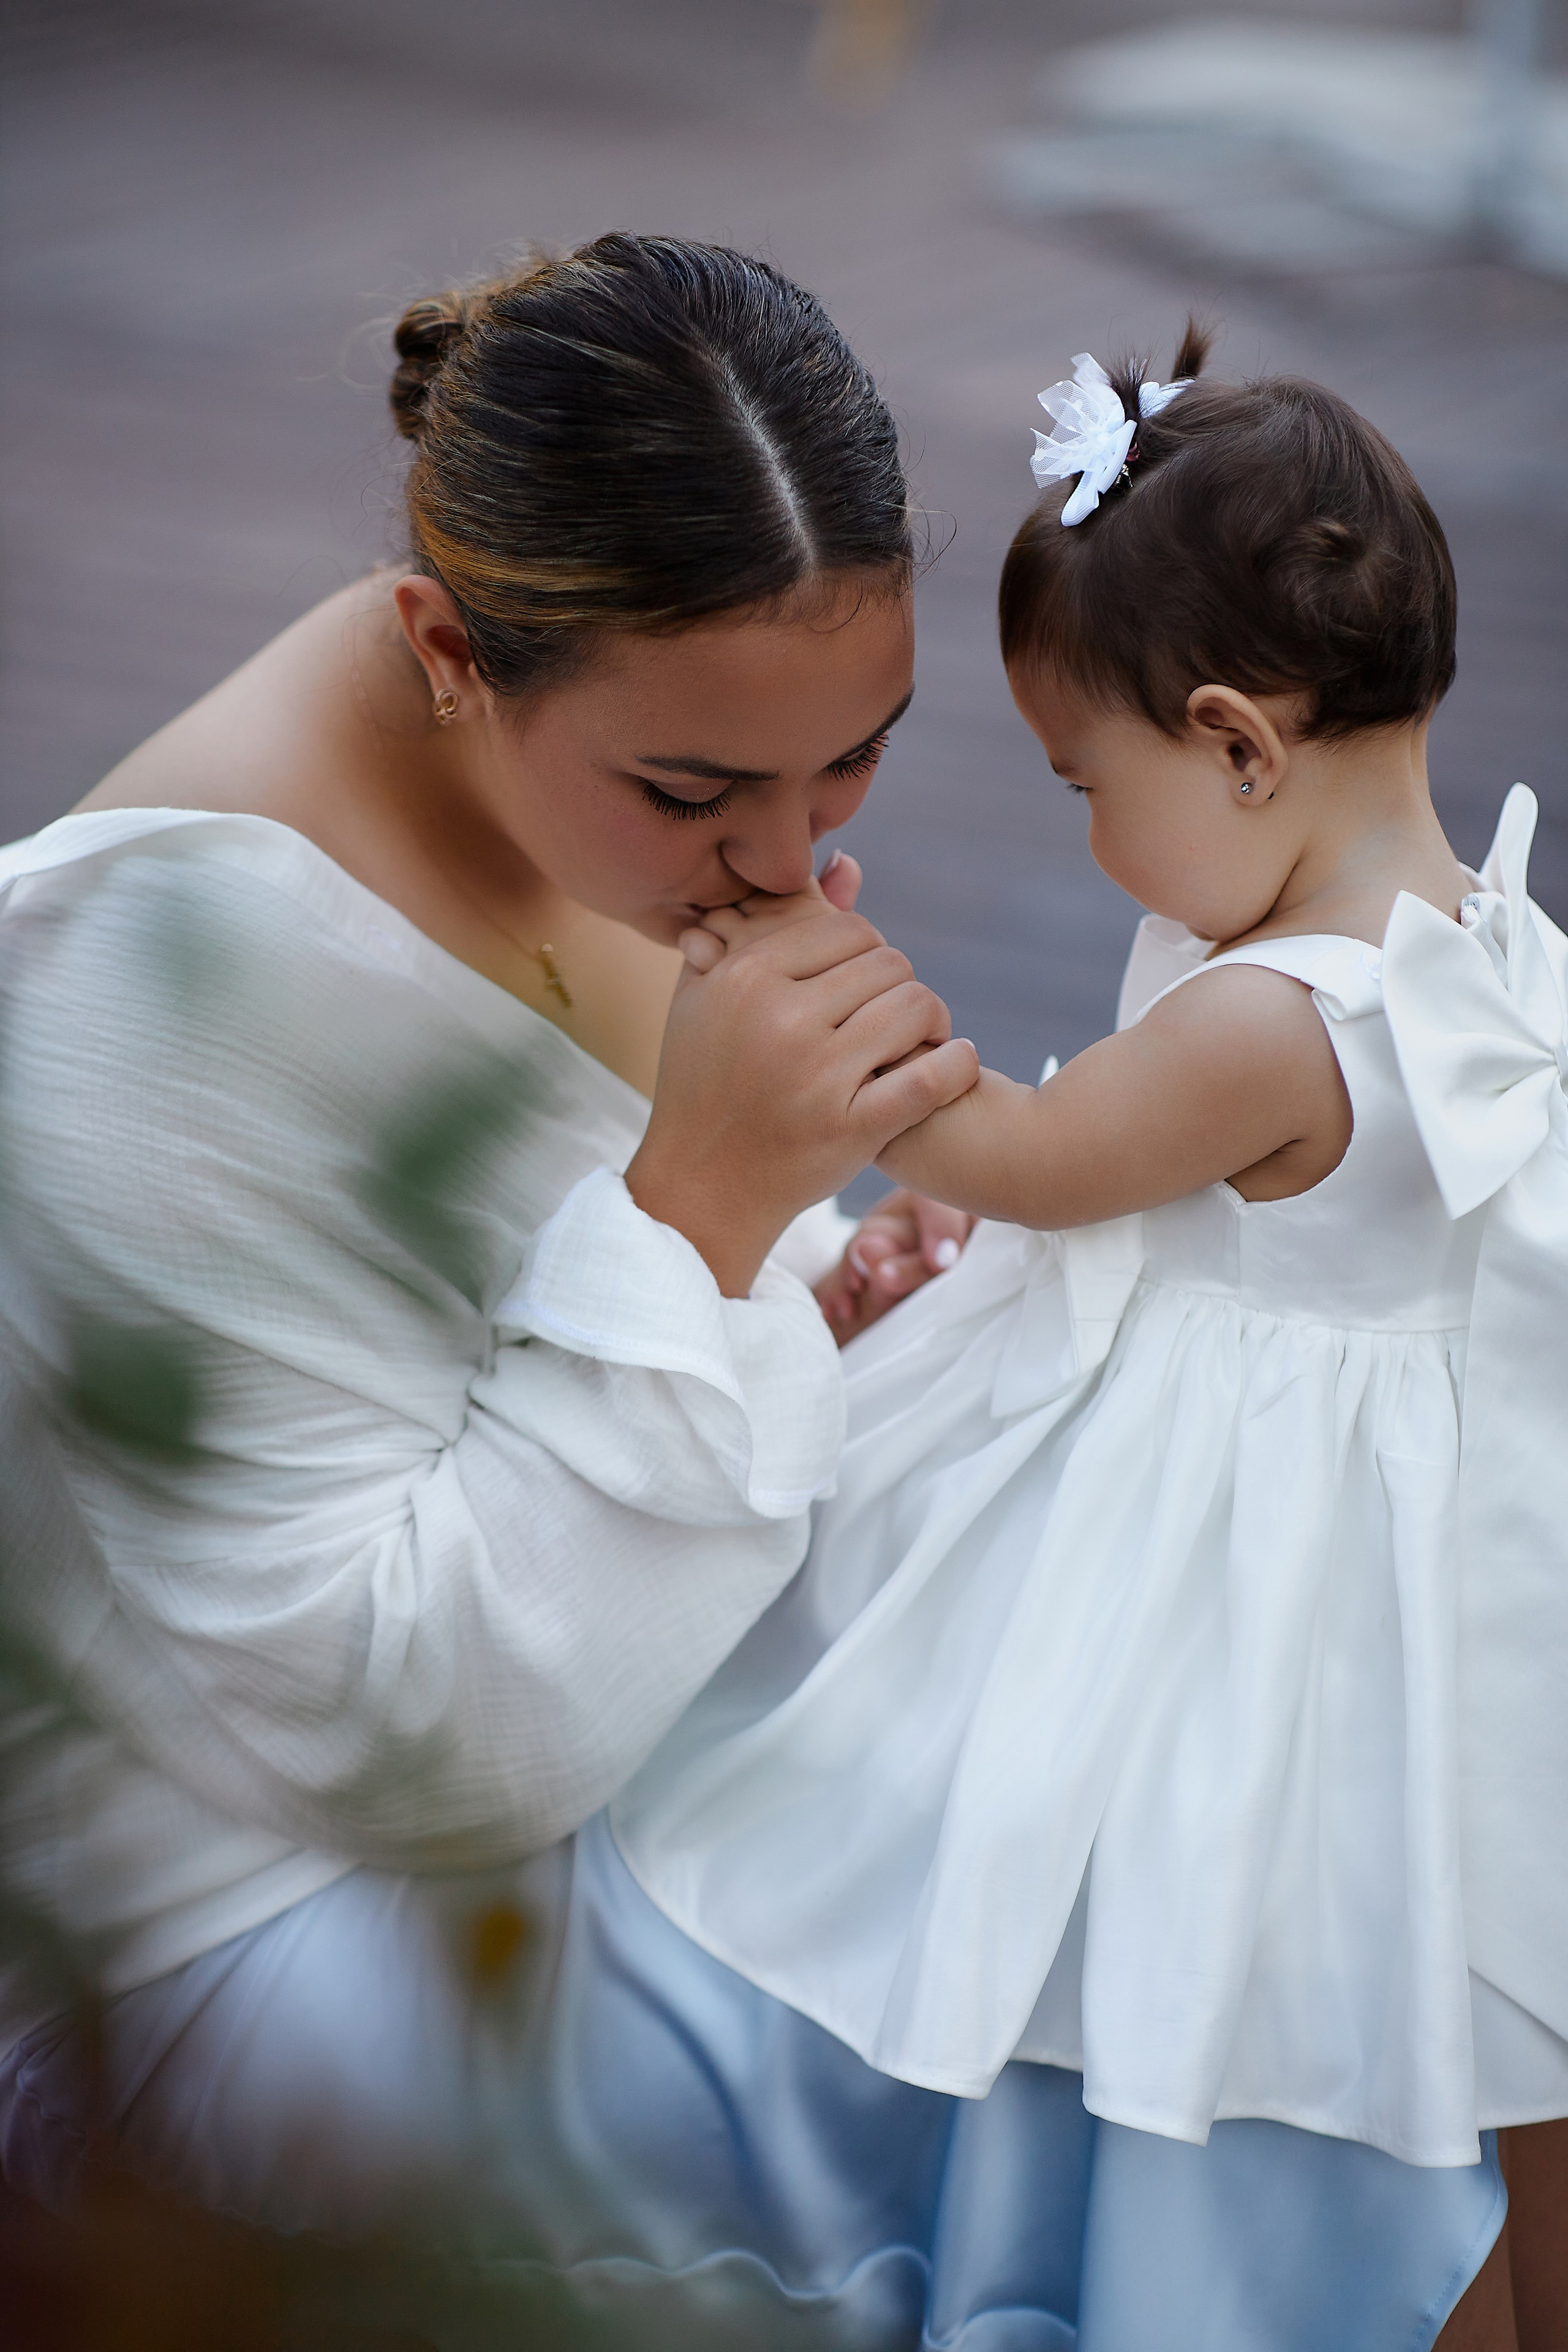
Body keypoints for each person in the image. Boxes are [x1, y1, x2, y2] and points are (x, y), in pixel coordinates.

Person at [0, 234, 976, 2267]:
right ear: (448, 648)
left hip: (596, 1694)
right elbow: (408, 1748)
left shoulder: (571, 786)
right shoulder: (151, 983)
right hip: (240, 1914)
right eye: (701, 788)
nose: (793, 867)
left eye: (856, 755)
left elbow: (495, 1317)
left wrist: (809, 1284)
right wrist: (709, 1219)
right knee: (981, 2043)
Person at [612, 333, 1568, 2345]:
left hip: (1223, 1540)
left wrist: (818, 987)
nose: (1087, 843)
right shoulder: (1476, 934)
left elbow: (1042, 1159)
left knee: (1035, 1788)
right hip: (1385, 1533)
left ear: (1234, 743)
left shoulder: (1277, 1013)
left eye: (1086, 789)